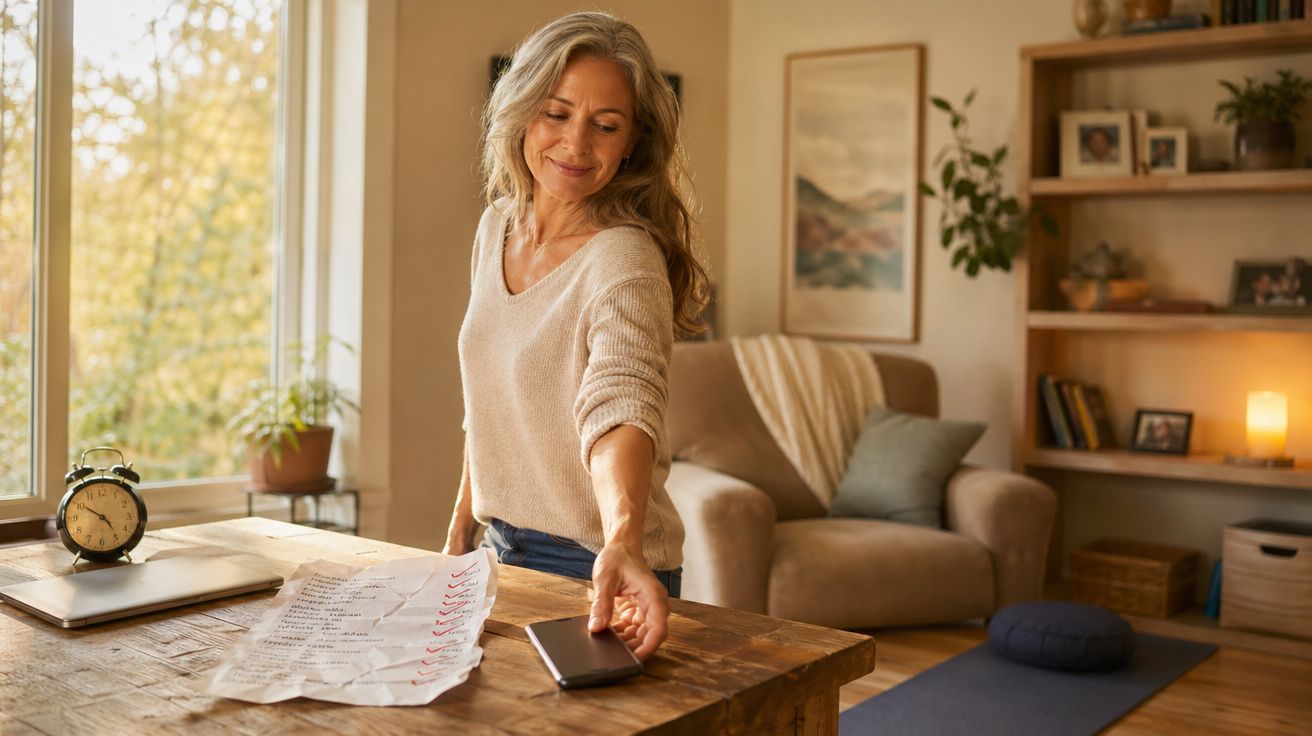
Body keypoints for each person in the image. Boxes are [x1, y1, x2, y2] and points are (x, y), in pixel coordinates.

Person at [443, 11, 710, 662]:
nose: (576, 144)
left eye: (606, 125)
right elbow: (490, 408)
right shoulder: (496, 228)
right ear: (522, 111)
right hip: (498, 552)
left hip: (593, 564)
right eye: (556, 113)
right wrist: (458, 537)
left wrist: (622, 539)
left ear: (632, 144)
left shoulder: (623, 261)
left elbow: (622, 404)